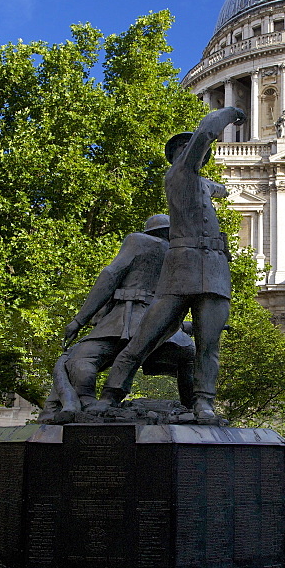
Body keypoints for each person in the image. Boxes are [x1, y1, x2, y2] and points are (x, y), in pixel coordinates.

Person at [98, 106, 246, 423]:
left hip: (216, 270)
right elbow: (207, 131)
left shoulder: (200, 183)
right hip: (183, 266)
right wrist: (231, 112)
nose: (191, 149)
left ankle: (203, 402)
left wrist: (222, 187)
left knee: (208, 345)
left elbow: (218, 188)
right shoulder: (179, 174)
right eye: (185, 146)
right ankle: (111, 394)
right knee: (147, 335)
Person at [42, 215, 195, 417]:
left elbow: (110, 275)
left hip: (124, 322)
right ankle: (195, 409)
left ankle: (87, 402)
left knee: (80, 359)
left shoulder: (139, 240)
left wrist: (79, 320)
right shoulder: (183, 256)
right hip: (163, 329)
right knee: (189, 357)